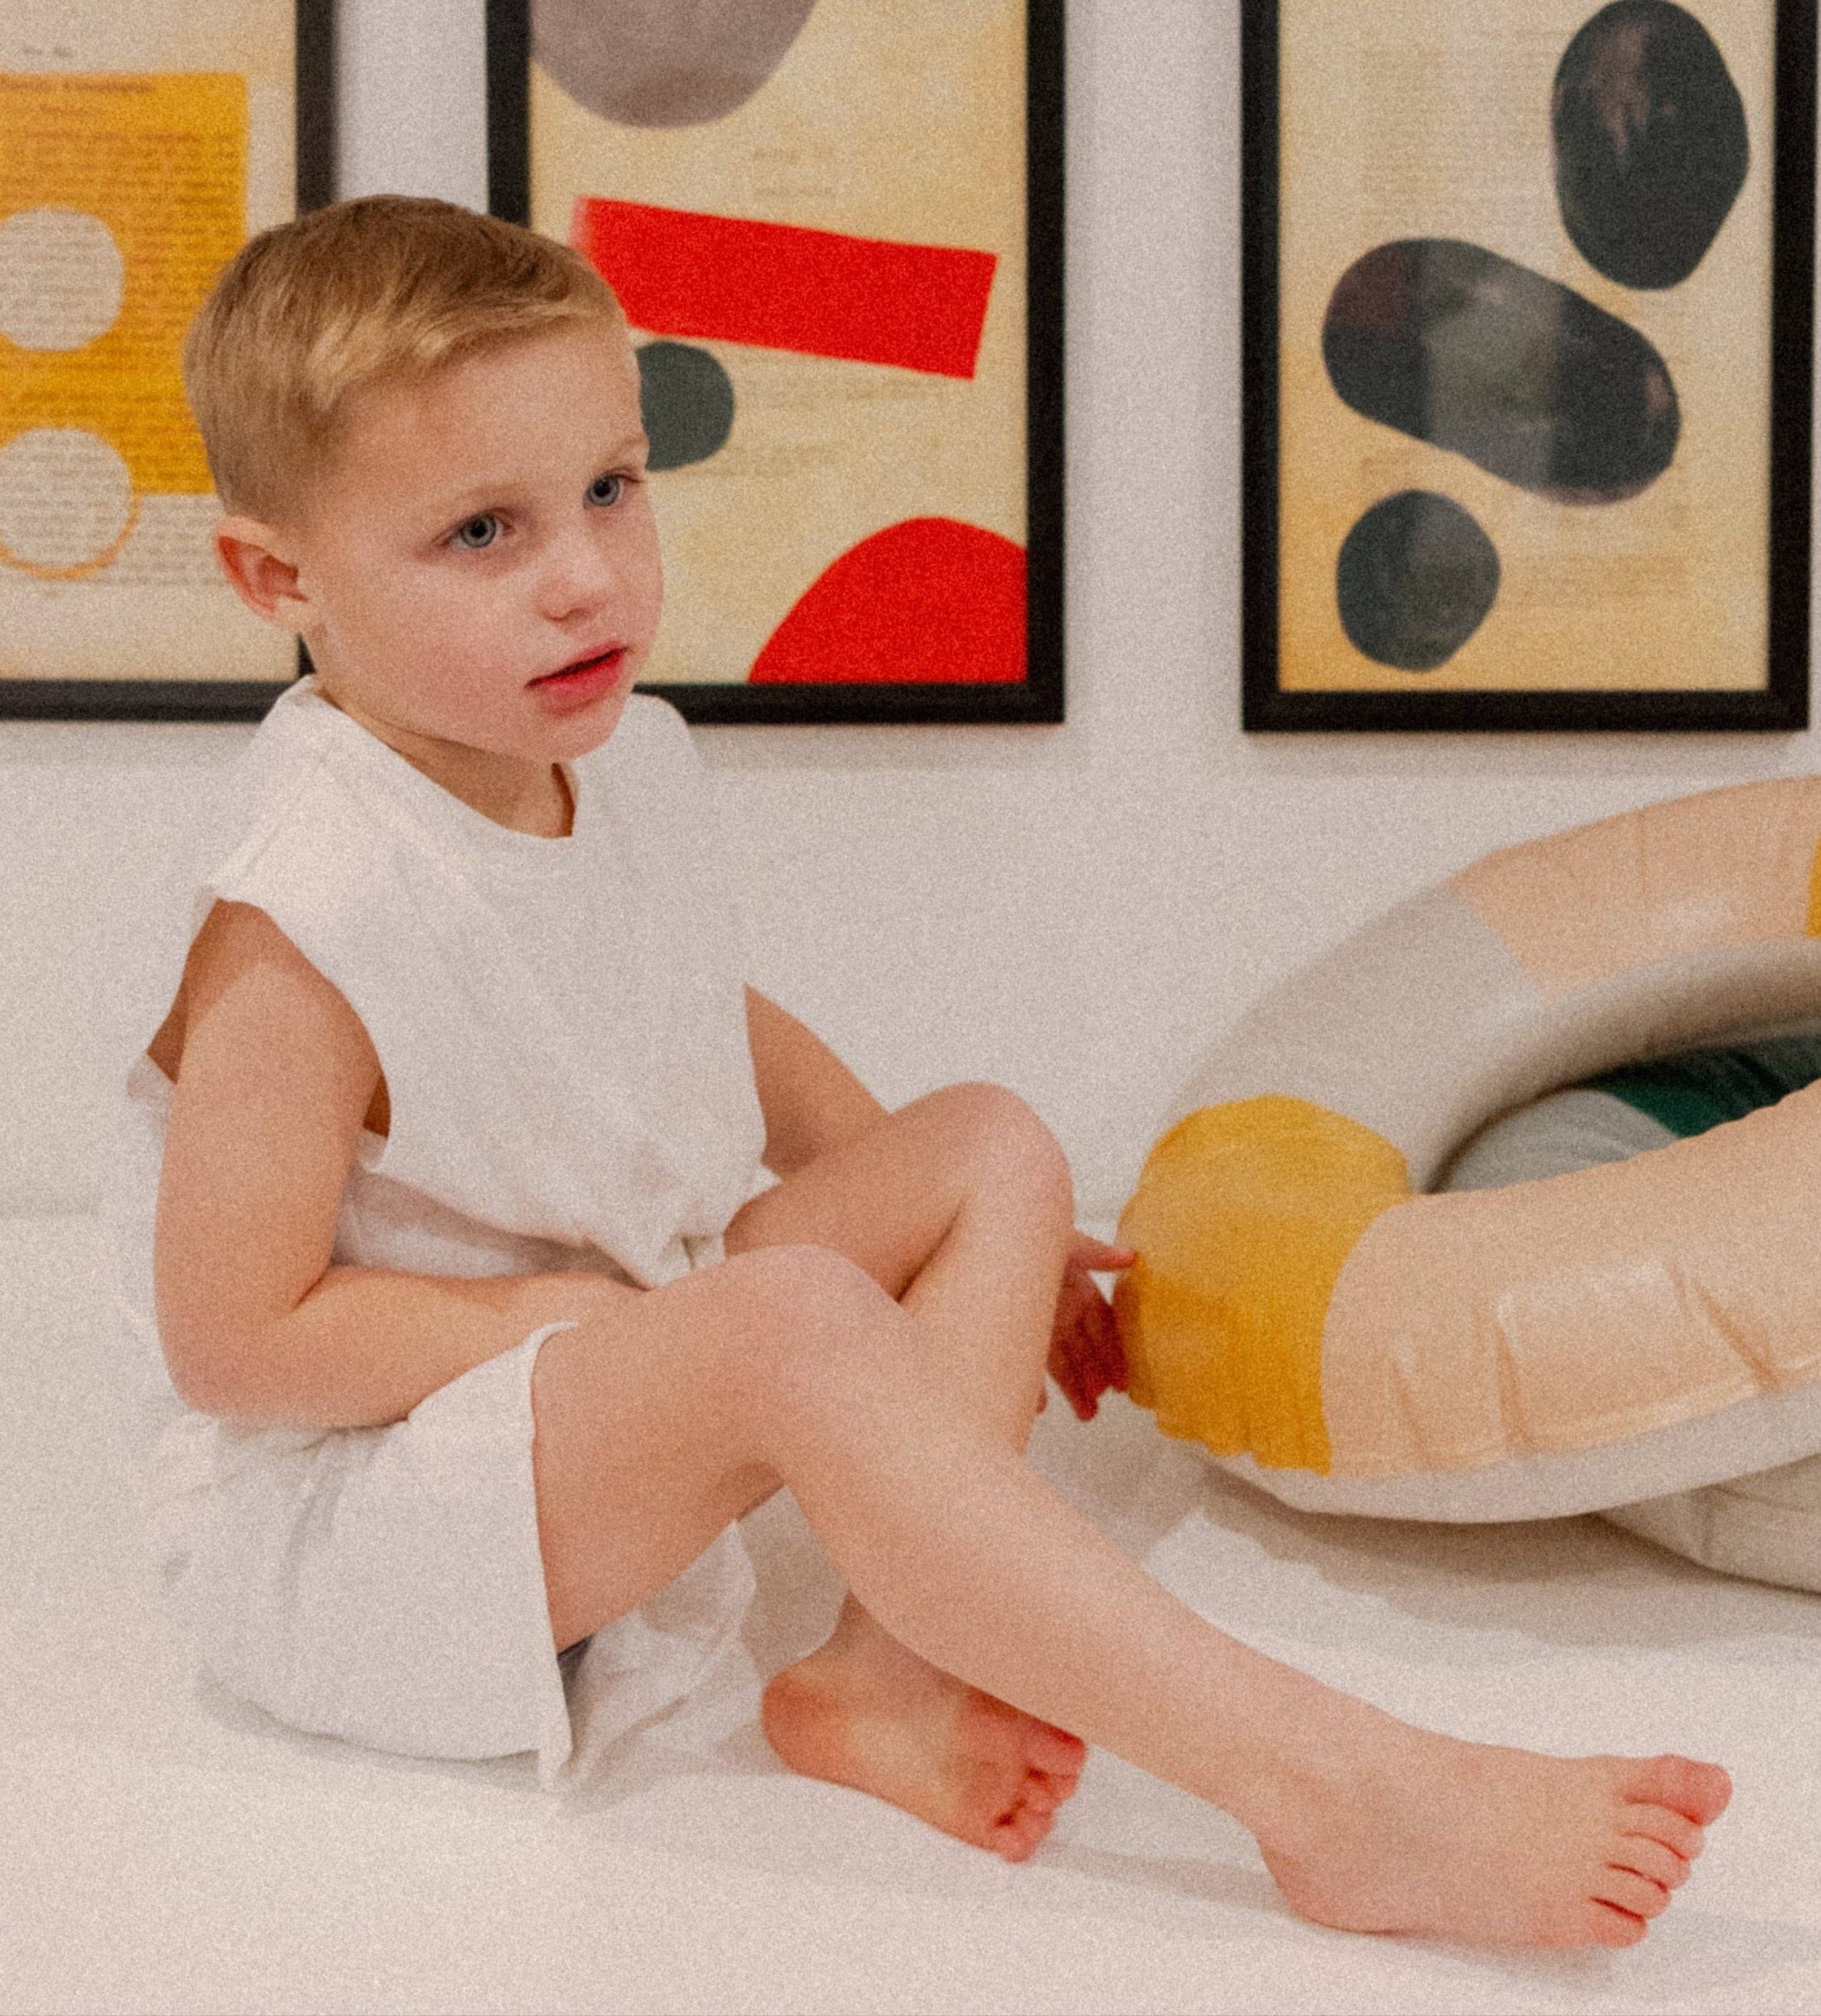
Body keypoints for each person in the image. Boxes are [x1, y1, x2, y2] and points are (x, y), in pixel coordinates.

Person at [106, 193, 1729, 1953]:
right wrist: (564, 1317)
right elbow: (235, 1341)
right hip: (375, 1526)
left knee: (994, 1144)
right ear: (280, 581)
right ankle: (1334, 1789)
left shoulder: (612, 752)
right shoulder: (306, 910)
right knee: (790, 1315)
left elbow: (682, 1006)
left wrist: (954, 1239)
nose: (585, 573)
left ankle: (889, 1668)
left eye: (612, 487)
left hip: (593, 1380)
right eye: (483, 531)